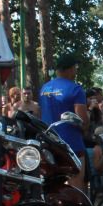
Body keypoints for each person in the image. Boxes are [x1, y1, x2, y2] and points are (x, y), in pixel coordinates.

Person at [40, 53, 89, 191]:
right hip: (71, 144)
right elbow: (82, 120)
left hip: (48, 143)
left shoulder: (44, 88)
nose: (76, 70)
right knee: (76, 186)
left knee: (51, 185)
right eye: (75, 67)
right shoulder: (75, 89)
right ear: (71, 68)